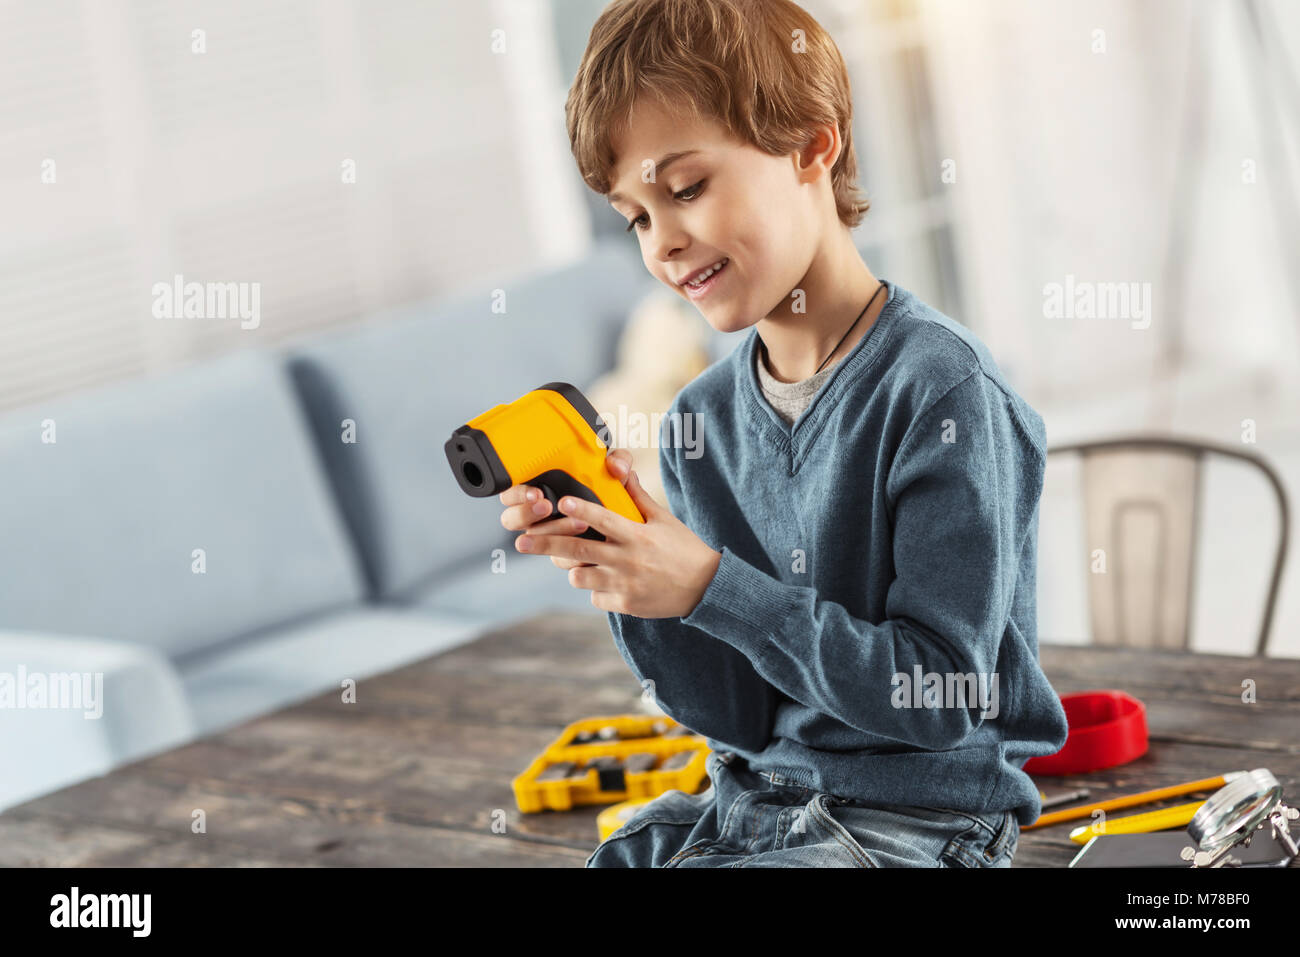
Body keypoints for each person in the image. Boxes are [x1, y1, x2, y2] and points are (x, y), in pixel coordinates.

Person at [499, 0, 1068, 867]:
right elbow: (735, 712)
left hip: (917, 820)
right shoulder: (701, 420)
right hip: (756, 800)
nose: (664, 244)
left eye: (685, 189)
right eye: (637, 217)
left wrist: (712, 585)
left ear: (812, 143)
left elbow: (941, 694)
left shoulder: (941, 391)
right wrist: (640, 583)